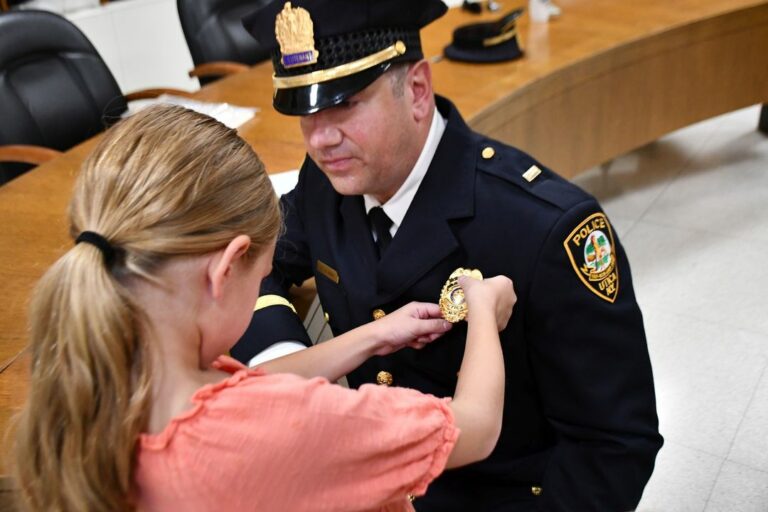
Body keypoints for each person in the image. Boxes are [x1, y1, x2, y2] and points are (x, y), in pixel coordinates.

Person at [236, 1, 664, 510]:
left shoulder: (546, 227)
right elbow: (250, 266)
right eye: (306, 113)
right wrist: (288, 365)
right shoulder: (328, 181)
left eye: (345, 104)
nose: (321, 138)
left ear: (417, 90)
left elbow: (613, 446)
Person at [11, 105, 517, 511]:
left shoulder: (89, 382)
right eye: (260, 277)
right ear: (226, 268)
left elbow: (250, 389)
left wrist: (374, 337)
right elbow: (474, 427)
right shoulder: (283, 428)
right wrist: (484, 310)